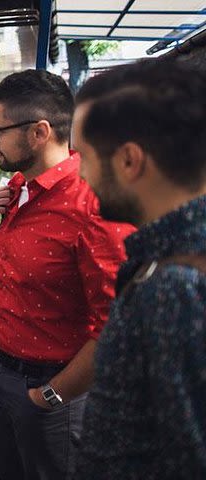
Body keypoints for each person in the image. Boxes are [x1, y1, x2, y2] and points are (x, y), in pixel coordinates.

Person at [0, 69, 134, 479]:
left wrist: (50, 396)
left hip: (50, 393)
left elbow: (118, 329)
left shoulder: (95, 208)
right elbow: (28, 276)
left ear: (39, 132)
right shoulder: (18, 186)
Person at [72, 59, 206, 478]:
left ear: (130, 161)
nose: (79, 172)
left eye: (85, 156)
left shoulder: (175, 286)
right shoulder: (168, 258)